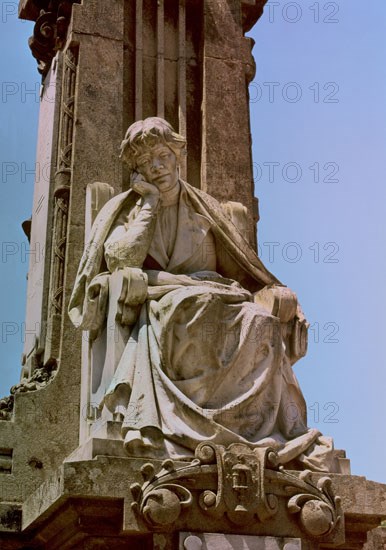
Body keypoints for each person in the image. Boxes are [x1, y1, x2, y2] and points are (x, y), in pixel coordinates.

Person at [69, 117, 333, 471]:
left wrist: (280, 293)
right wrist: (149, 204)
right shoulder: (126, 210)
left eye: (162, 155)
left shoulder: (207, 211)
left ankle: (261, 430)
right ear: (138, 172)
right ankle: (178, 428)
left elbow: (245, 273)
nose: (157, 166)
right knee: (194, 304)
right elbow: (121, 260)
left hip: (218, 297)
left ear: (177, 155)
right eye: (146, 163)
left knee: (260, 320)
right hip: (165, 300)